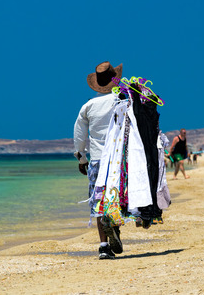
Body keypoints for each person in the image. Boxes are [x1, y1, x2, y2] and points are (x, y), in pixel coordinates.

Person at [74, 61, 123, 260]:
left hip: (97, 160)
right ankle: (116, 231)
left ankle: (103, 246)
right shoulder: (122, 100)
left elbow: (79, 136)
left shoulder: (88, 106)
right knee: (116, 199)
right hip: (118, 159)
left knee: (98, 202)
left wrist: (82, 159)